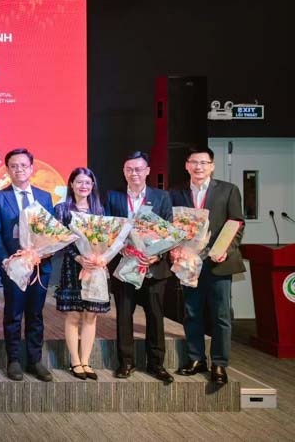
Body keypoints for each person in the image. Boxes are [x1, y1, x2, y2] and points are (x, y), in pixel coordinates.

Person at [169, 146, 244, 386]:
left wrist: (224, 251)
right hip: (189, 262)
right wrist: (174, 249)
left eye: (203, 162)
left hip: (217, 263)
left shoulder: (228, 190)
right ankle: (196, 359)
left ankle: (219, 363)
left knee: (221, 315)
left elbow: (236, 224)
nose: (198, 167)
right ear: (186, 165)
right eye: (194, 162)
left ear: (212, 166)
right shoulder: (175, 192)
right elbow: (170, 227)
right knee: (192, 313)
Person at [106, 151, 174, 383]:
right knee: (124, 315)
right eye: (129, 169)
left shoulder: (162, 196)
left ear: (147, 171)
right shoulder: (113, 197)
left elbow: (168, 230)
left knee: (155, 316)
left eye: (138, 169)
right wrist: (121, 248)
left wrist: (156, 255)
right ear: (124, 172)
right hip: (124, 266)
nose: (134, 173)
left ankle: (156, 364)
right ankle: (126, 362)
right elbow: (109, 229)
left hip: (153, 267)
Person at [0, 149, 55, 382]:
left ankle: (35, 360)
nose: (19, 170)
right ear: (7, 170)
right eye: (14, 166)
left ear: (31, 168)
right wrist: (7, 260)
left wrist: (46, 250)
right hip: (13, 266)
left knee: (35, 314)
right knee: (14, 314)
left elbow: (51, 230)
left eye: (23, 165)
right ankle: (14, 360)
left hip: (39, 265)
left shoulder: (44, 197)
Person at [54, 167, 107, 381]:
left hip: (94, 268)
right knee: (74, 315)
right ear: (71, 184)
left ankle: (86, 361)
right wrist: (77, 257)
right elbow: (59, 239)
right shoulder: (62, 209)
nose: (83, 186)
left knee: (91, 315)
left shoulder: (100, 210)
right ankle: (75, 361)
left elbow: (107, 239)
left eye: (87, 182)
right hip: (73, 267)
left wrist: (100, 257)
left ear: (92, 186)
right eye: (79, 182)